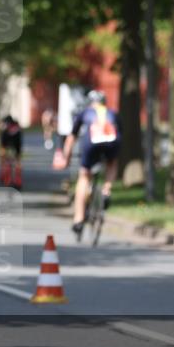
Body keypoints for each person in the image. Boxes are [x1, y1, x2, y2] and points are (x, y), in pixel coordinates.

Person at [52, 89, 119, 239]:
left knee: (84, 176)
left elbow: (71, 139)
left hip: (92, 141)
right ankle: (107, 190)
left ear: (90, 103)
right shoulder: (112, 113)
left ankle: (79, 219)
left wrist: (66, 159)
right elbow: (119, 132)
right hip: (111, 141)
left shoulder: (85, 113)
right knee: (112, 163)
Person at [0, 114, 23, 190]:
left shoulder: (5, 128)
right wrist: (18, 153)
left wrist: (2, 151)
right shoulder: (17, 129)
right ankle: (18, 182)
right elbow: (19, 142)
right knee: (16, 167)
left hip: (6, 149)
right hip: (15, 150)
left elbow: (2, 141)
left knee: (6, 166)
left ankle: (7, 181)